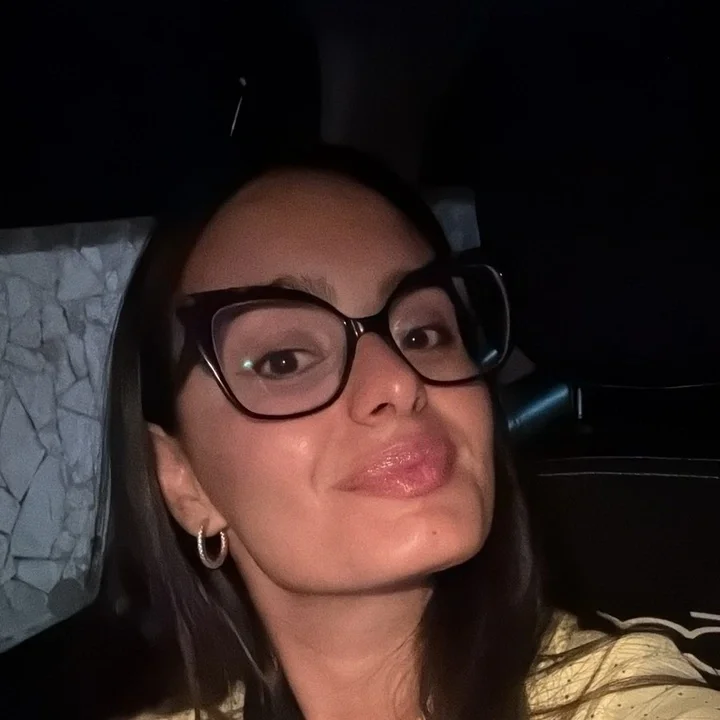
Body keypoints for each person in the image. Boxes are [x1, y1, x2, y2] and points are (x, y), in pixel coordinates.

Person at [104, 145, 720, 720]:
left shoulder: (631, 697)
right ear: (183, 482)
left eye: (423, 333)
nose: (398, 381)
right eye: (284, 361)